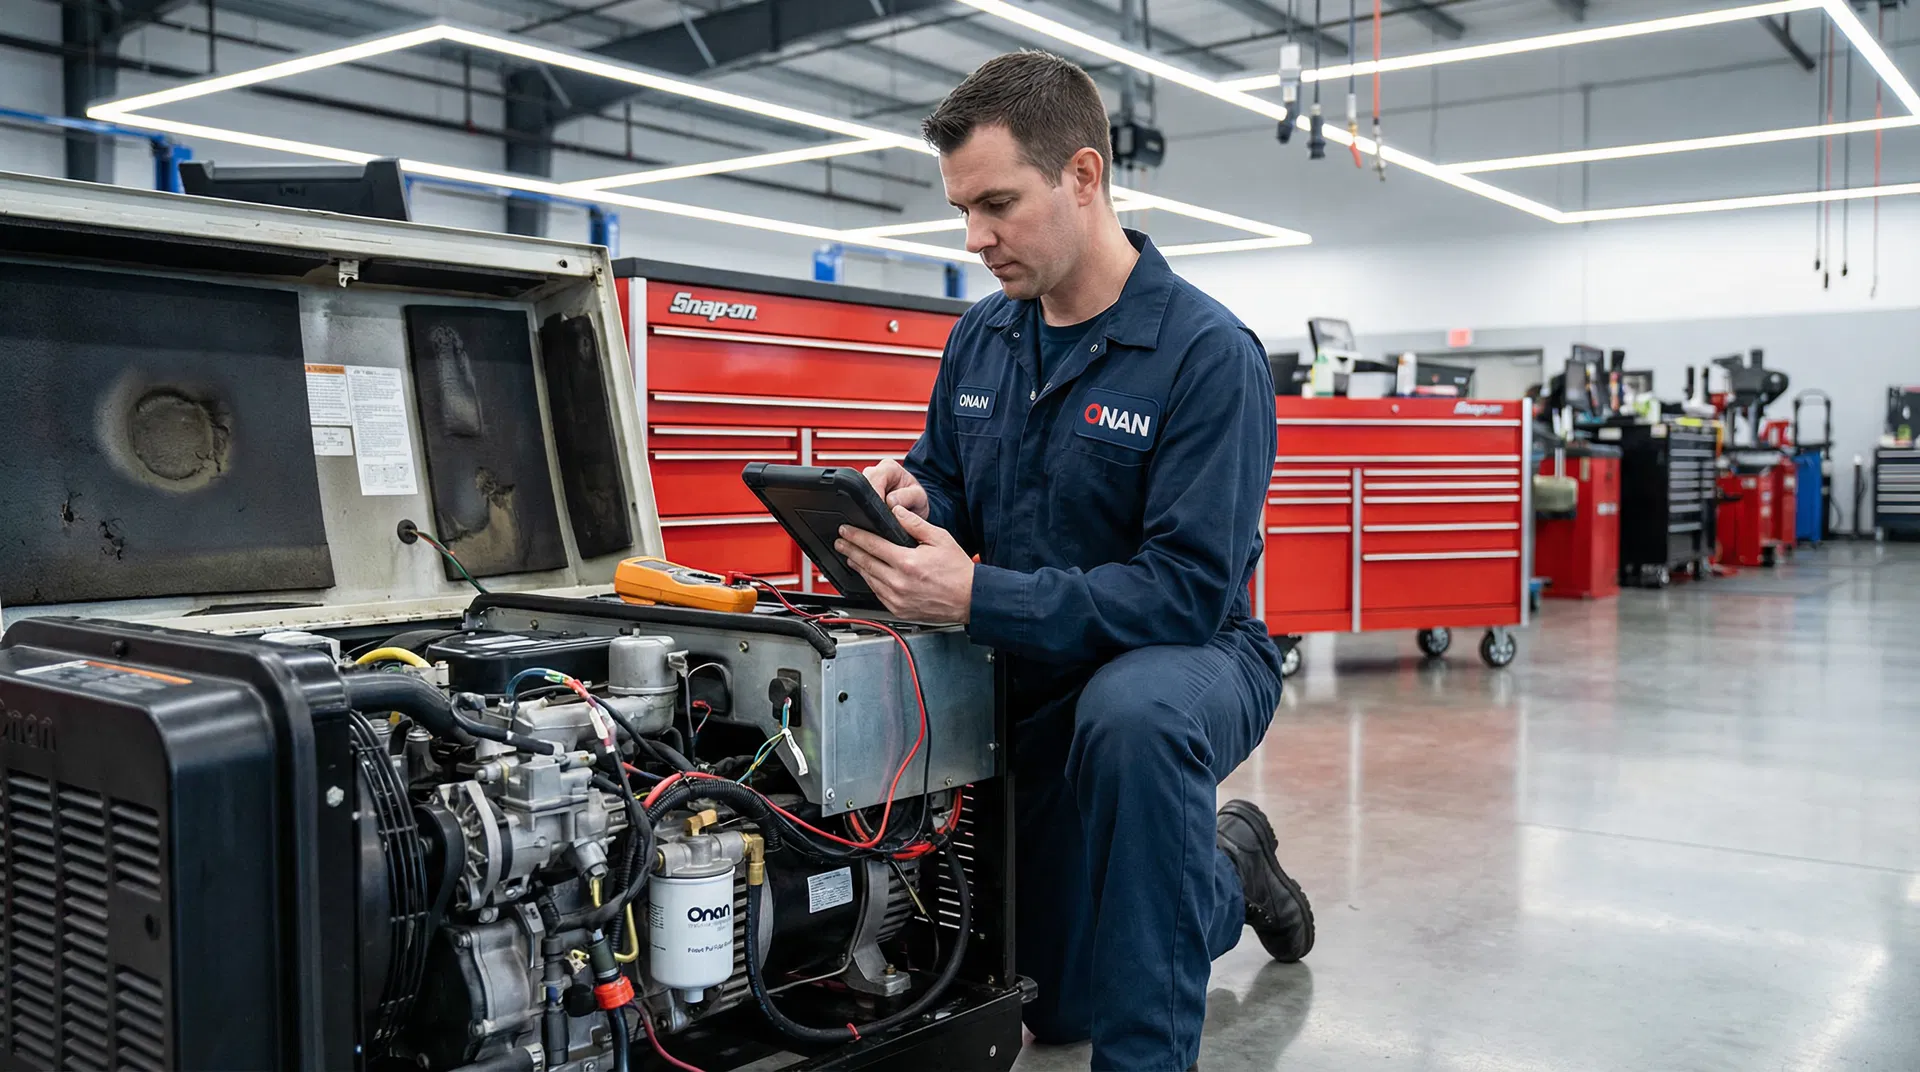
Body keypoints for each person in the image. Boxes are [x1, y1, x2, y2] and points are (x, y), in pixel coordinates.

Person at [832, 50, 1314, 1071]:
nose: (976, 238)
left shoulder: (1207, 356)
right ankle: (1231, 862)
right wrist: (916, 503)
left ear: (1083, 177)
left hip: (1191, 658)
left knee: (1132, 716)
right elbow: (954, 487)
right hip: (1034, 661)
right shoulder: (981, 342)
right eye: (962, 210)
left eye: (998, 204)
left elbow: (1184, 591)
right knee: (1058, 1001)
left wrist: (979, 593)